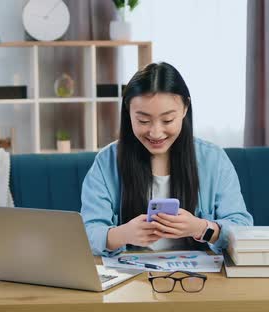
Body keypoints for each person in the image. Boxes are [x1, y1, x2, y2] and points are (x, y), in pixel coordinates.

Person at [81, 62, 253, 257]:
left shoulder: (214, 160)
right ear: (128, 113)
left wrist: (201, 228)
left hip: (200, 280)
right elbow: (87, 233)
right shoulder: (107, 162)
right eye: (143, 121)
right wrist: (123, 234)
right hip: (131, 280)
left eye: (168, 120)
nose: (156, 132)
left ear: (185, 109)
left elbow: (242, 228)